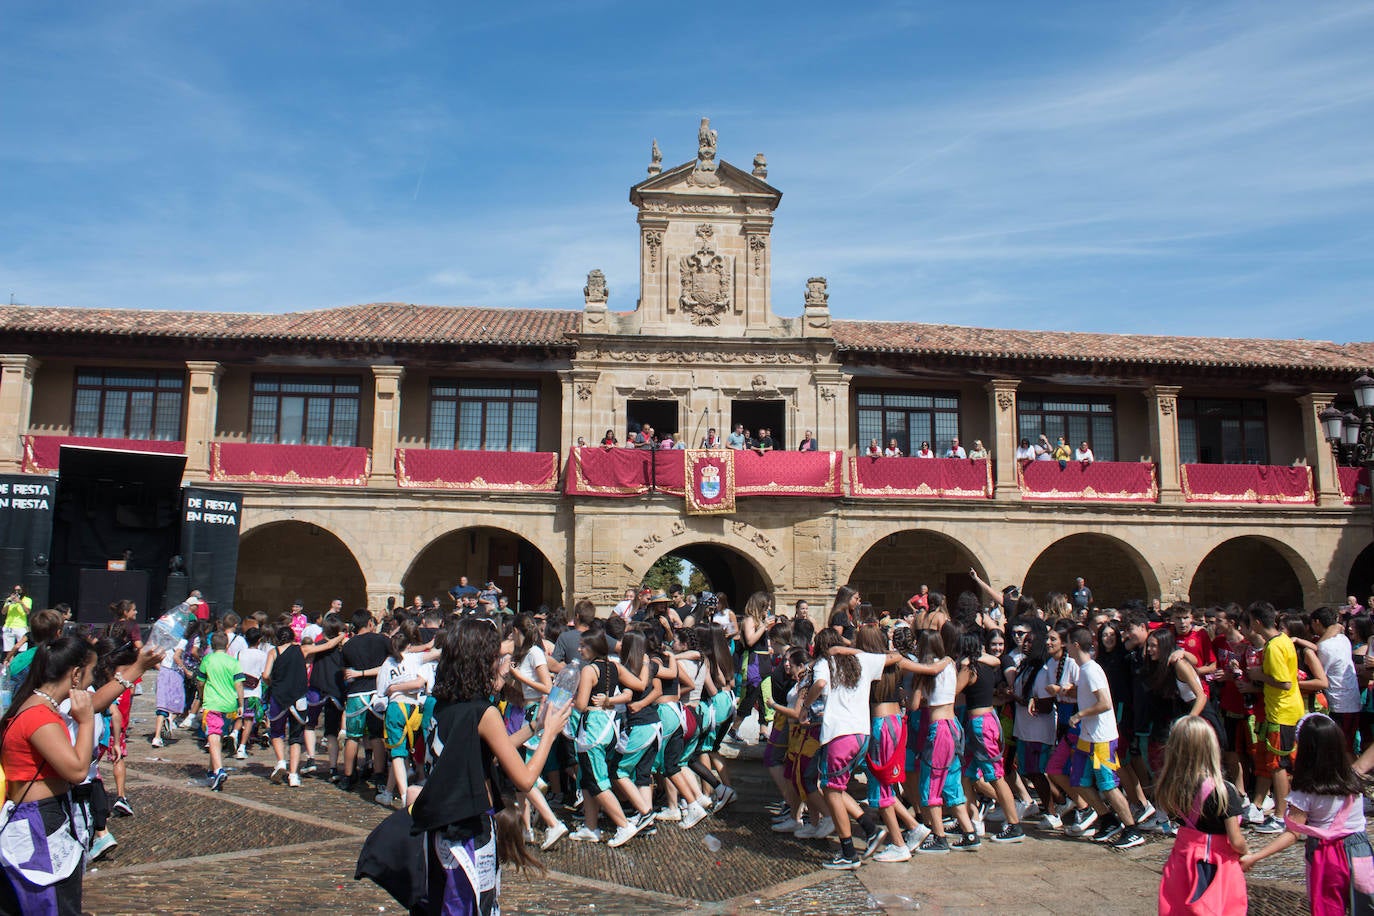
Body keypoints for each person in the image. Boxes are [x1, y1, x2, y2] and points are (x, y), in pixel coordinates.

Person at [402, 618, 571, 914]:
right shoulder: (485, 712)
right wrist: (551, 734)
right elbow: (524, 779)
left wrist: (536, 724)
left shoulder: (444, 704)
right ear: (481, 661)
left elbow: (490, 754)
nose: (502, 664)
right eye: (496, 658)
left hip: (441, 830)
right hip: (470, 832)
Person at [1243, 714, 1374, 915]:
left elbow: (1291, 834)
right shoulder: (1353, 776)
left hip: (1324, 855)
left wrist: (1255, 856)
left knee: (1328, 909)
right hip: (1359, 850)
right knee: (1365, 908)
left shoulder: (1305, 792)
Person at [0, 637, 96, 912]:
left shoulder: (34, 706)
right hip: (39, 820)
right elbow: (77, 770)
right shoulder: (38, 715)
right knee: (53, 904)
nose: (90, 684)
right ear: (75, 674)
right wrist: (86, 720)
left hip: (36, 816)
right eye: (90, 673)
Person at [1155, 716, 1248, 914]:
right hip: (1215, 865)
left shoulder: (1170, 786)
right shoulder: (1223, 791)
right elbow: (1236, 840)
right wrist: (1246, 853)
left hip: (1181, 861)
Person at [1064, 627, 1146, 847]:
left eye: (1068, 643)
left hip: (1101, 739)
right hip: (1087, 738)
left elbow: (1105, 703)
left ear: (1076, 645)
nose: (1066, 648)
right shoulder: (1084, 671)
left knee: (1108, 784)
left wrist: (1079, 715)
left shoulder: (1091, 670)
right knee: (1078, 780)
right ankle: (1108, 819)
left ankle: (1132, 829)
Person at [1245, 601, 1304, 835]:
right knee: (1282, 766)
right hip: (1286, 711)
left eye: (1250, 623)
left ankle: (1281, 816)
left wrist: (1259, 674)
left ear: (1258, 623)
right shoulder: (1283, 641)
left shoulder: (1274, 646)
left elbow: (1284, 682)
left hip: (1282, 713)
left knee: (1278, 767)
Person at [2, 585, 31, 658]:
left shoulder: (27, 600)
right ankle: (10, 666)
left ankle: (20, 666)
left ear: (23, 591)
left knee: (22, 649)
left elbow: (27, 612)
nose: (16, 592)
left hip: (21, 626)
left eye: (19, 590)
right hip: (9, 626)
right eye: (15, 590)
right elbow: (3, 612)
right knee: (8, 649)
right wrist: (8, 603)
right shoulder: (9, 599)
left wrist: (20, 602)